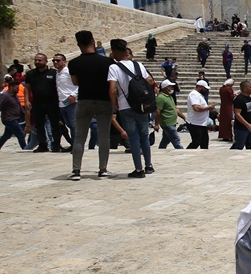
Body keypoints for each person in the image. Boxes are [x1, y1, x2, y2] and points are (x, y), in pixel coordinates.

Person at [69, 31, 116, 179]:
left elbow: (75, 82)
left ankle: (76, 171)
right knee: (103, 137)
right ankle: (103, 169)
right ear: (93, 42)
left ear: (78, 44)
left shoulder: (74, 63)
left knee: (79, 137)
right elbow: (111, 84)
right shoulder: (107, 62)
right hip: (103, 101)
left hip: (84, 100)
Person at [108, 39, 155, 178]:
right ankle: (149, 165)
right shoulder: (138, 65)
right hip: (142, 105)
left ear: (115, 52)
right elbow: (150, 81)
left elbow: (111, 89)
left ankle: (138, 169)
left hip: (125, 106)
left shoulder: (114, 68)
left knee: (133, 138)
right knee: (144, 136)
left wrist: (114, 103)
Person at [23, 52, 64, 153]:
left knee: (55, 124)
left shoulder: (53, 73)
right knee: (39, 125)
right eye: (36, 60)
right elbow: (27, 88)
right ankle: (42, 145)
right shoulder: (31, 74)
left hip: (52, 102)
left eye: (40, 60)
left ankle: (56, 145)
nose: (37, 62)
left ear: (46, 61)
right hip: (37, 102)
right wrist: (27, 100)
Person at [0, 79, 28, 150]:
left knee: (7, 135)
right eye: (16, 88)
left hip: (16, 118)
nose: (18, 90)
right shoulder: (4, 96)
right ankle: (25, 149)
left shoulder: (15, 96)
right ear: (11, 87)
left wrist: (25, 115)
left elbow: (19, 106)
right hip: (9, 119)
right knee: (21, 134)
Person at [155, 80, 186, 149]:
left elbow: (175, 108)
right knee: (175, 139)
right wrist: (156, 124)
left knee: (166, 139)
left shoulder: (169, 97)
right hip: (167, 123)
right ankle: (181, 150)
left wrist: (184, 117)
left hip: (172, 122)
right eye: (170, 86)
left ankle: (161, 149)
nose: (172, 88)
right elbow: (158, 111)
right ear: (165, 87)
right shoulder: (161, 98)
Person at [231, 80, 251, 150]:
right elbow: (237, 114)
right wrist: (247, 125)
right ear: (245, 89)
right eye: (250, 87)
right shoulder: (239, 99)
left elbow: (250, 112)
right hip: (241, 128)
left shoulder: (249, 98)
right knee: (239, 146)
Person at [186, 80, 215, 150]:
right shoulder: (194, 94)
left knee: (204, 142)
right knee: (196, 141)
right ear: (200, 87)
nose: (206, 90)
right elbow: (196, 108)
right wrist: (208, 107)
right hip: (195, 123)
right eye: (205, 89)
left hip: (201, 123)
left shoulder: (199, 95)